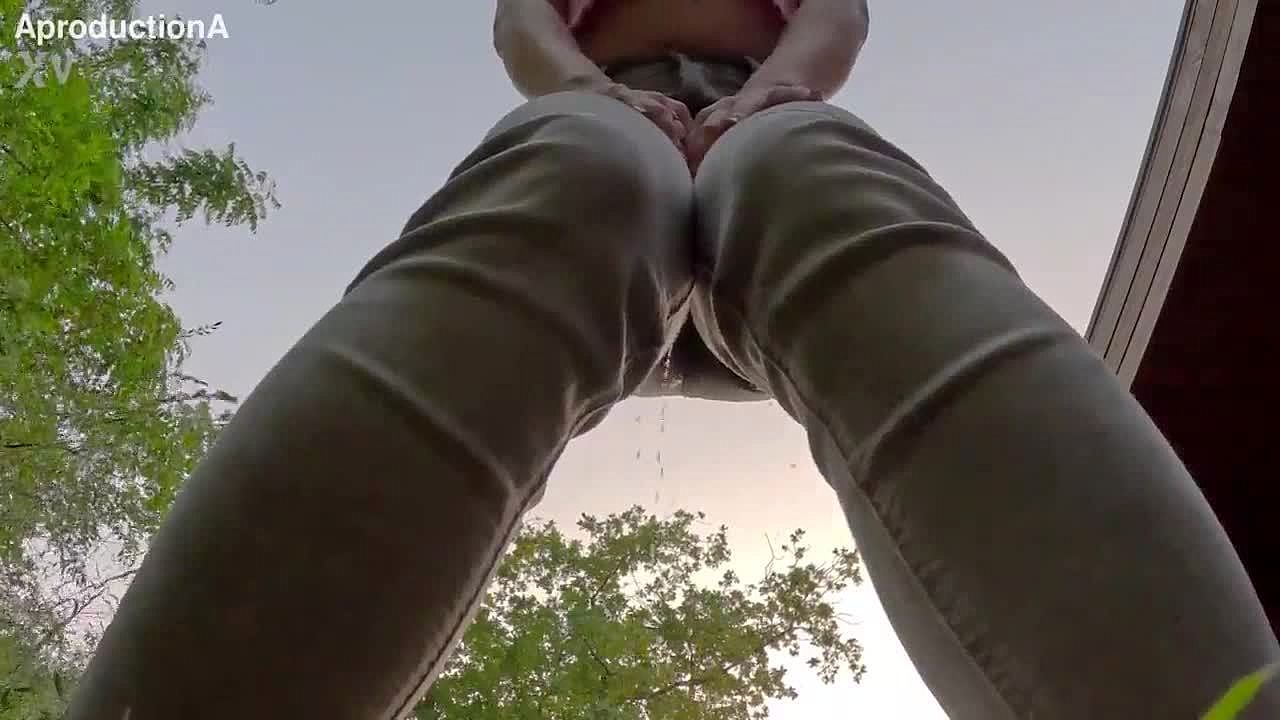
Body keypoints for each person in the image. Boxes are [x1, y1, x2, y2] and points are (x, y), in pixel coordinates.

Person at [66, 0, 1280, 718]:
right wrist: (598, 92)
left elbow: (837, 12)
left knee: (821, 185)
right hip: (607, 101)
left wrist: (767, 97)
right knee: (575, 177)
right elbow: (521, 21)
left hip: (763, 104)